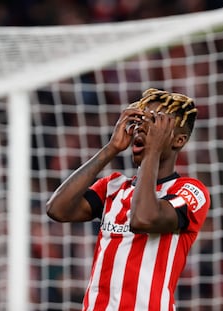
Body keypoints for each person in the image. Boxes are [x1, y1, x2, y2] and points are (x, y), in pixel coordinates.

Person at [46, 88, 210, 310]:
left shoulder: (190, 192)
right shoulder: (112, 186)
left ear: (178, 140)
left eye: (154, 124)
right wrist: (110, 149)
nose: (142, 129)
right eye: (140, 121)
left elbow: (143, 219)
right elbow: (57, 209)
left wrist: (151, 152)